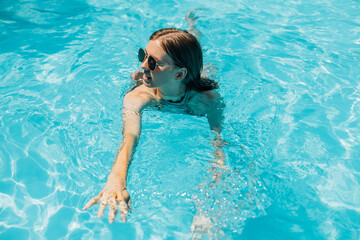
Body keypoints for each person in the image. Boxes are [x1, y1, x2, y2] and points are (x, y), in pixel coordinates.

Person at [83, 26, 225, 224]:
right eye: (144, 55)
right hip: (166, 84)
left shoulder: (207, 101)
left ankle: (193, 28)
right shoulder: (137, 97)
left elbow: (219, 149)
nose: (143, 65)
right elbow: (130, 136)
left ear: (178, 74)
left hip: (192, 82)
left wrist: (208, 211)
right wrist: (116, 179)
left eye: (152, 62)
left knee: (207, 67)